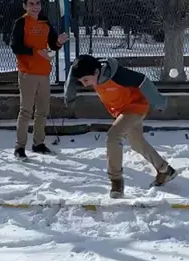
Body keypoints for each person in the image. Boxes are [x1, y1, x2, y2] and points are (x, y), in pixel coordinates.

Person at [64, 54, 177, 198]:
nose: (85, 84)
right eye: (82, 81)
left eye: (86, 80)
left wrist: (159, 101)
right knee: (137, 143)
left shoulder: (118, 75)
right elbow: (71, 75)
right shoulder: (90, 72)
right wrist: (69, 96)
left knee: (113, 137)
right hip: (122, 111)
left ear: (96, 72)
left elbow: (143, 80)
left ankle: (116, 181)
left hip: (135, 107)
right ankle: (165, 170)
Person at [9, 0, 69, 160]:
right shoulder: (21, 23)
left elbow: (52, 44)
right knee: (26, 111)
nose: (35, 7)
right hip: (27, 73)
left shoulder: (45, 22)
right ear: (25, 6)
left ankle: (38, 143)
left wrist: (59, 42)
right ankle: (19, 147)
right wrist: (36, 52)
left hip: (44, 73)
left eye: (38, 3)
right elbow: (15, 46)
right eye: (31, 4)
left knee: (42, 111)